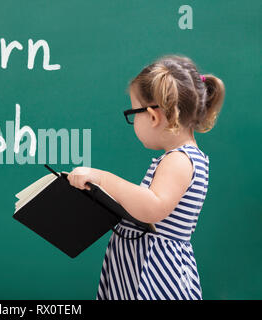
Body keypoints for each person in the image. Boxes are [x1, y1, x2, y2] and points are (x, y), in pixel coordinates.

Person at [67, 55, 225, 300]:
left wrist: (103, 178)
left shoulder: (180, 159)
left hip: (157, 274)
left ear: (152, 116)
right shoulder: (179, 157)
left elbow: (152, 207)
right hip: (141, 268)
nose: (133, 121)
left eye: (133, 112)